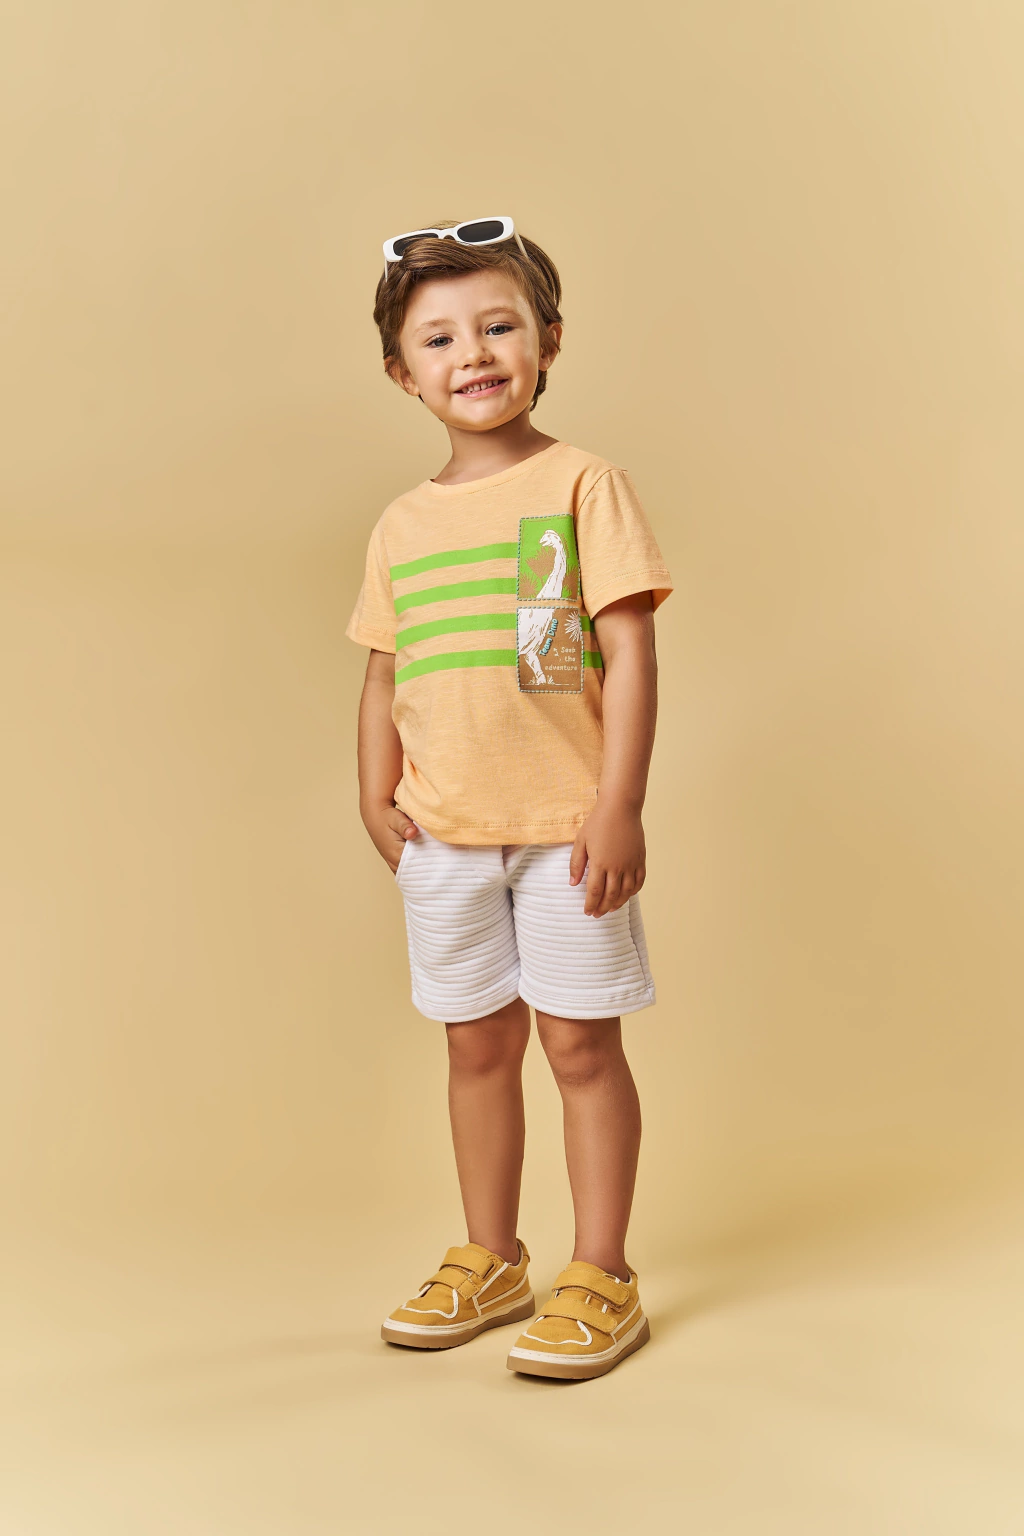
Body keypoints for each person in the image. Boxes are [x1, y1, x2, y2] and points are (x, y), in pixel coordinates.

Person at [347, 218, 673, 1380]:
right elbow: (384, 672)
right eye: (439, 337)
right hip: (441, 834)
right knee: (475, 1045)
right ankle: (492, 1257)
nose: (473, 353)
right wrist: (372, 790)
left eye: (497, 326)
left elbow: (624, 651)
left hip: (564, 832)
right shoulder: (401, 524)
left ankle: (602, 1272)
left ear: (548, 342)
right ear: (402, 372)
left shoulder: (581, 485)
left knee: (578, 1044)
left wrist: (618, 803)